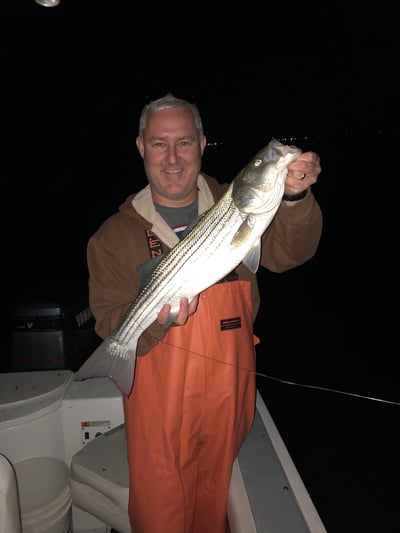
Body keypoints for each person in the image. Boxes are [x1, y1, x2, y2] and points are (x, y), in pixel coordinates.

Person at [87, 92, 323, 533]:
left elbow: (289, 253)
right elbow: (106, 319)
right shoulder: (112, 237)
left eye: (184, 142)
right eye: (159, 143)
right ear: (141, 147)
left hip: (228, 399)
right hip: (158, 412)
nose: (173, 158)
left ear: (202, 143)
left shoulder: (232, 202)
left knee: (216, 510)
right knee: (161, 516)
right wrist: (155, 322)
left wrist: (293, 198)